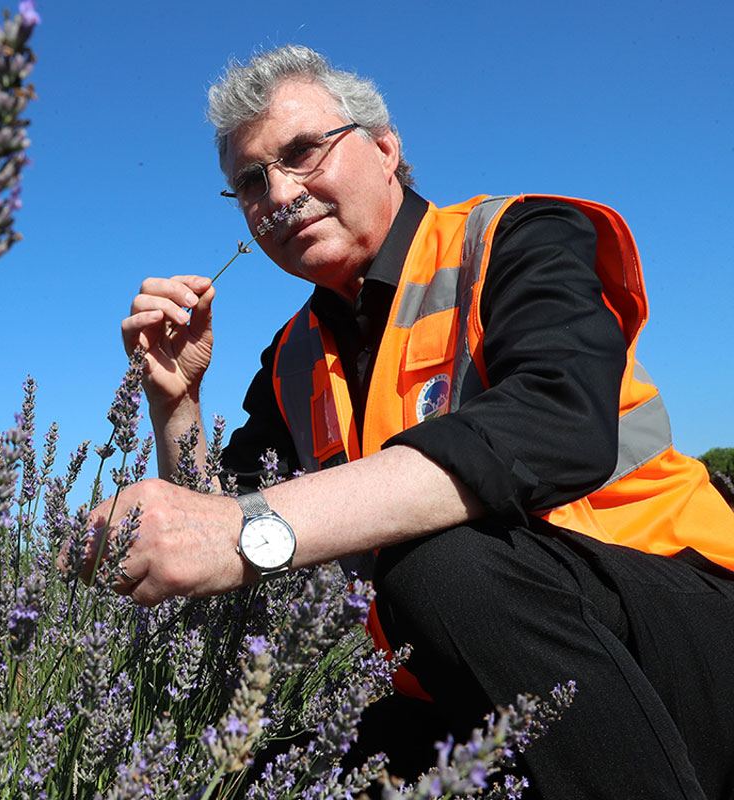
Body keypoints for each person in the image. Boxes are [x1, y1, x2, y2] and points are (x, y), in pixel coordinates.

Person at [93, 44, 734, 798]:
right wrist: (177, 404)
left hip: (678, 623)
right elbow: (219, 517)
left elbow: (558, 418)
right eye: (250, 183)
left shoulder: (514, 239)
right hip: (456, 674)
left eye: (302, 152)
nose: (279, 195)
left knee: (438, 565)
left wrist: (245, 533)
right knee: (272, 776)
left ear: (386, 149)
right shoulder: (293, 357)